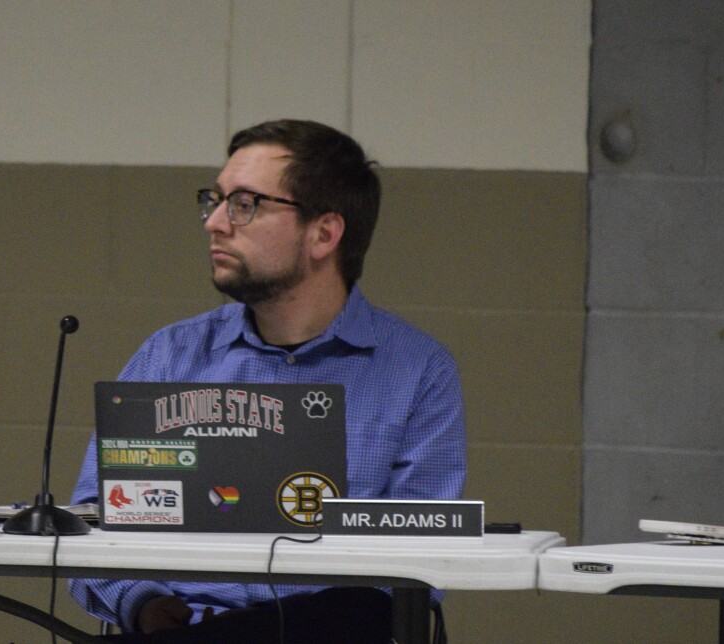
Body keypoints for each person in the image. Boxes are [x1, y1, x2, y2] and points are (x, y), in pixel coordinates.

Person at [69, 119, 467, 642]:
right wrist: (139, 601)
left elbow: (418, 567)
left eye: (244, 204)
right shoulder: (169, 357)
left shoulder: (418, 372)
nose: (214, 222)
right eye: (214, 200)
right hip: (179, 625)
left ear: (324, 233)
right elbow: (86, 527)